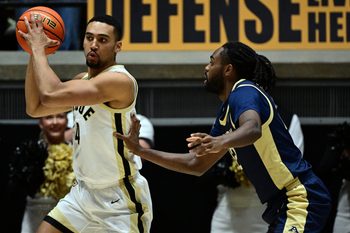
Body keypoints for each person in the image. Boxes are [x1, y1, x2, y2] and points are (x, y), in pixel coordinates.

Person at [116, 41, 332, 233]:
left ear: (228, 69)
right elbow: (196, 164)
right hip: (281, 204)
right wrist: (141, 151)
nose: (207, 67)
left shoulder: (245, 90)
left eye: (212, 62)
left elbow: (253, 129)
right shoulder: (226, 113)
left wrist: (217, 141)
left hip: (300, 197)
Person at [18, 13, 152, 232]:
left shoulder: (120, 80)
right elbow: (35, 108)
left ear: (117, 46)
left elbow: (51, 93)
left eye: (102, 40)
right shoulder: (83, 80)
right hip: (82, 194)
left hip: (119, 199)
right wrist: (33, 52)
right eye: (89, 37)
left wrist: (39, 49)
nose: (94, 44)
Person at [209, 92, 305, 233]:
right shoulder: (227, 114)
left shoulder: (289, 120)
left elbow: (293, 169)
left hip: (267, 212)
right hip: (228, 211)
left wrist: (254, 170)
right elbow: (210, 159)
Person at [5, 112, 73, 233]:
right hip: (33, 220)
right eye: (49, 117)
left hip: (67, 220)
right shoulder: (28, 153)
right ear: (41, 123)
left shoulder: (76, 152)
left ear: (67, 122)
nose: (55, 122)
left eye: (60, 117)